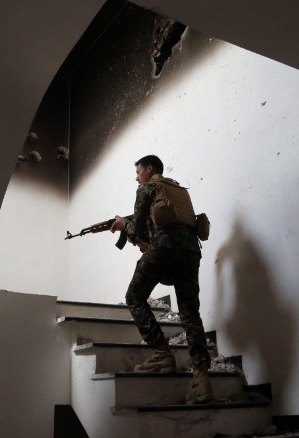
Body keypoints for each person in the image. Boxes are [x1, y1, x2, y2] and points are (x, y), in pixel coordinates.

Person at [110, 155, 212, 405]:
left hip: (164, 248)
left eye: (138, 172)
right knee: (190, 313)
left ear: (150, 169)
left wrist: (124, 226)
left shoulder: (147, 188)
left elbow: (140, 231)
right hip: (190, 252)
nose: (136, 177)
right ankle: (201, 381)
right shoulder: (179, 190)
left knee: (134, 297)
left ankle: (162, 354)